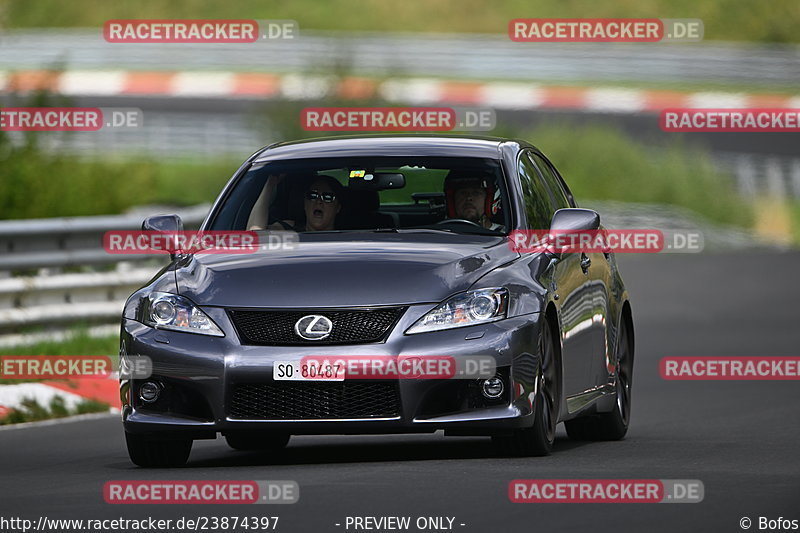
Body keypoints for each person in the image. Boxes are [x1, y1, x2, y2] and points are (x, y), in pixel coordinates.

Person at [248, 174, 343, 232]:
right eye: (312, 195)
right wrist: (271, 182)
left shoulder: (348, 238)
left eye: (327, 197)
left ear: (338, 207)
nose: (319, 201)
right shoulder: (288, 230)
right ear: (305, 204)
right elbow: (254, 235)